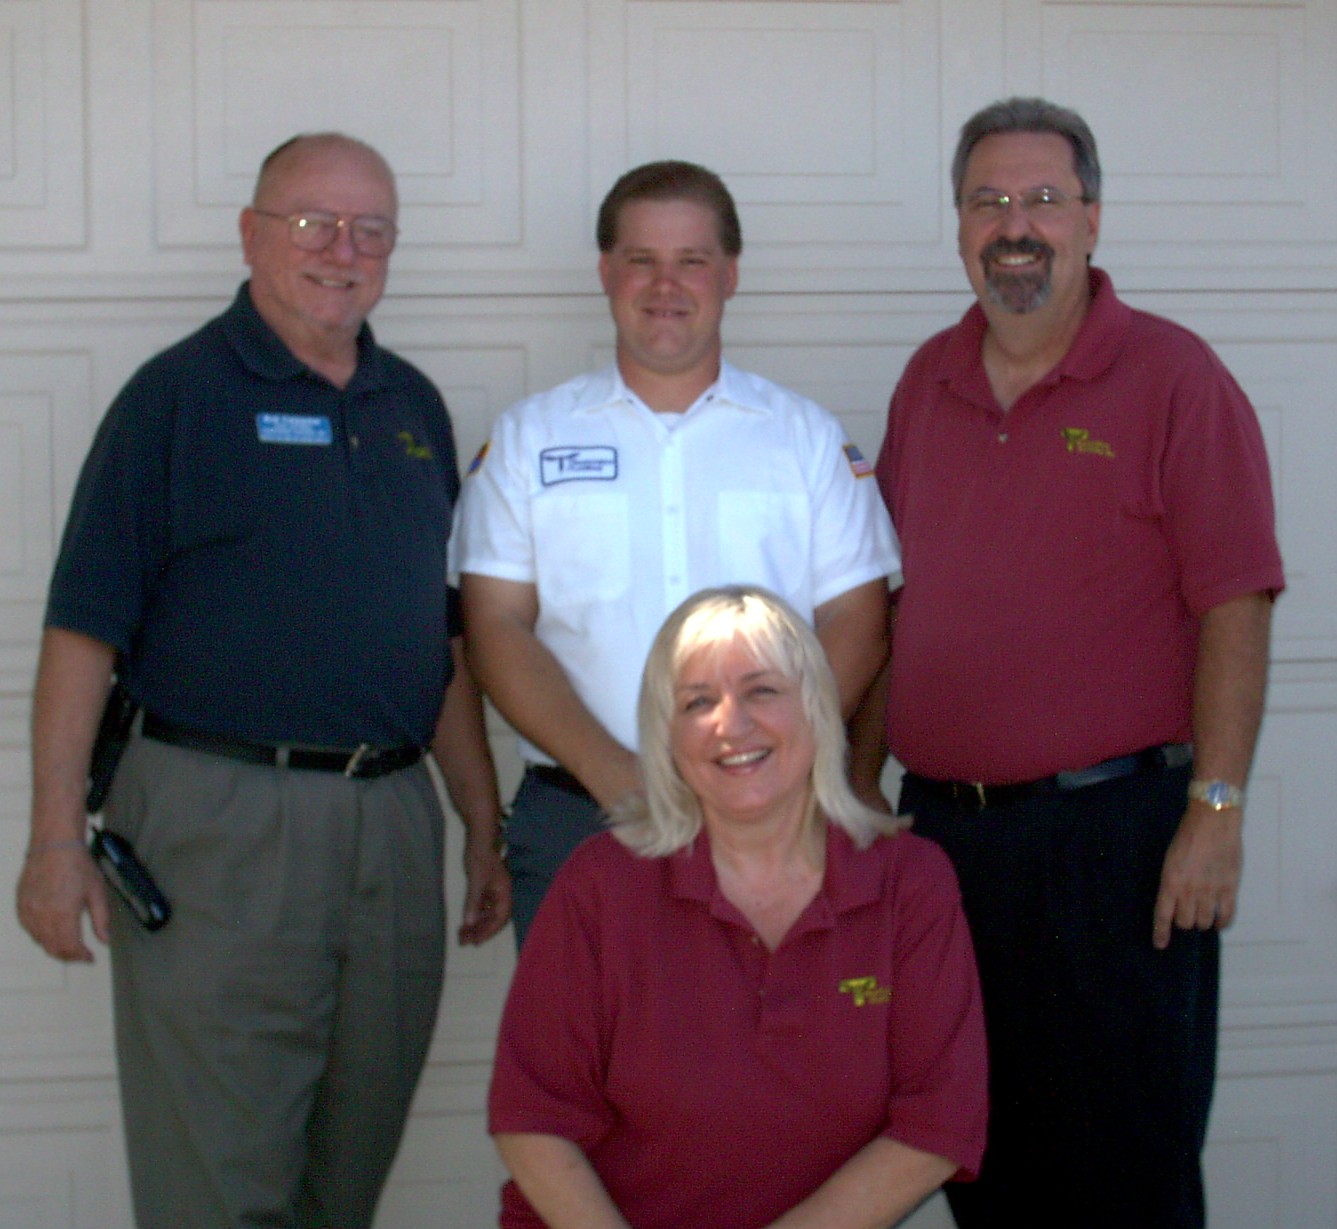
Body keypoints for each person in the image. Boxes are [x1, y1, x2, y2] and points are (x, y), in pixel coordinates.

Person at [15, 132, 511, 1229]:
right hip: (218, 823)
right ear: (251, 234)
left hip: (389, 821)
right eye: (312, 222)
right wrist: (54, 838)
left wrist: (479, 822)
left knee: (349, 1164)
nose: (343, 248)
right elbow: (80, 634)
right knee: (218, 1181)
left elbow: (439, 648)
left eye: (369, 228)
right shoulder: (175, 398)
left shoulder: (411, 409)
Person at [859, 97, 1285, 1228]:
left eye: (1042, 198)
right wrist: (854, 797)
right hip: (944, 843)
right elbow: (886, 608)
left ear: (1091, 218)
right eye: (987, 200)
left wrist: (1215, 807)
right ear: (956, 226)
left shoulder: (1169, 378)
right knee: (969, 1149)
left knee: (1123, 1167)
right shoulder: (926, 381)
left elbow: (1235, 599)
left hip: (1116, 846)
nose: (1015, 224)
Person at [455, 160, 900, 943]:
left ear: (729, 274)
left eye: (691, 260)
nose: (666, 285)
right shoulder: (531, 438)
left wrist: (759, 766)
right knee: (578, 1062)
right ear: (605, 272)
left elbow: (858, 619)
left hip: (772, 821)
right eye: (640, 260)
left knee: (765, 1059)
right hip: (581, 818)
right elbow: (494, 625)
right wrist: (618, 777)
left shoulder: (803, 438)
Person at [489, 585, 987, 1229]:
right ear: (665, 735)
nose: (732, 723)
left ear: (817, 707)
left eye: (762, 691)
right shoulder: (599, 886)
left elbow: (938, 1121)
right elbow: (532, 1119)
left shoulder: (909, 884)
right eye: (697, 702)